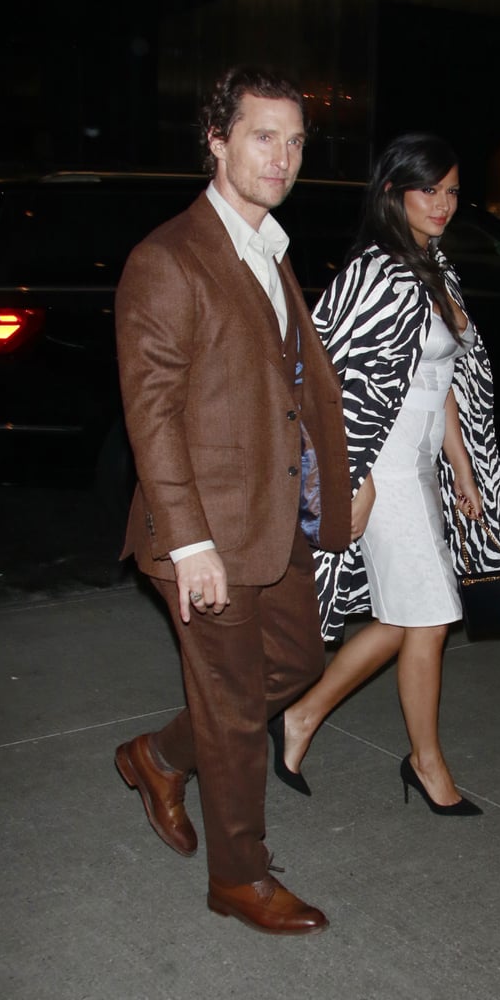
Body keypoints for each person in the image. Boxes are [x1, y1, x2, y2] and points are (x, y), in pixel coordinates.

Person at [113, 66, 351, 936]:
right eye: (263, 136)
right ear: (216, 141)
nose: (283, 156)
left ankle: (157, 756)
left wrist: (335, 484)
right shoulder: (169, 258)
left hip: (274, 518)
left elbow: (293, 390)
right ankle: (239, 877)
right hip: (205, 536)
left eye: (295, 141)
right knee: (233, 705)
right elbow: (154, 415)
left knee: (295, 665)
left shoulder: (270, 250)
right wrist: (188, 544)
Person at [271, 133, 500, 814]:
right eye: (428, 191)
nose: (443, 204)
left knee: (411, 615)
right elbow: (328, 374)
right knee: (433, 614)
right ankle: (426, 762)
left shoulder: (433, 266)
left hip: (419, 467)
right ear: (394, 193)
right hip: (380, 468)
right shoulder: (376, 272)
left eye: (450, 192)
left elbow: (436, 379)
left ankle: (302, 714)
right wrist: (351, 473)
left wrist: (462, 467)